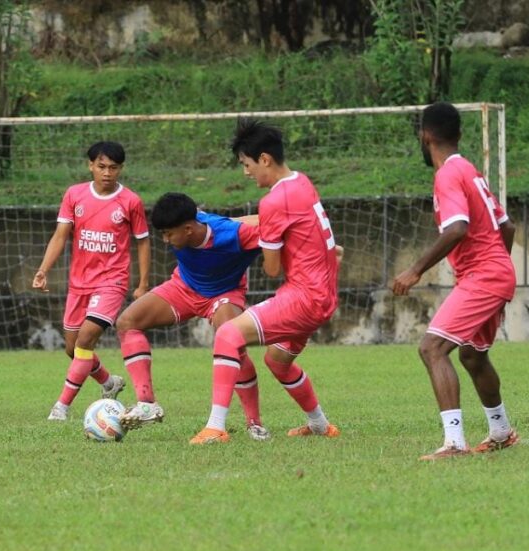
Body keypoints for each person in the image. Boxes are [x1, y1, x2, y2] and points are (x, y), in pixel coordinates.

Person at [190, 118, 341, 445]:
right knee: (278, 361)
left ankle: (215, 427)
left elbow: (271, 269)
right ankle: (320, 425)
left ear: (265, 160)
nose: (246, 172)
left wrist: (248, 244)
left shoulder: (273, 201)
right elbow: (290, 229)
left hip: (304, 297)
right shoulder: (302, 183)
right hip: (325, 294)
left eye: (246, 164)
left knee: (228, 334)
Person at [392, 102, 518, 461]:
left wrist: (415, 269)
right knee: (472, 355)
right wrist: (501, 278)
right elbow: (506, 226)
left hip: (483, 276)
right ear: (459, 135)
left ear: (425, 135)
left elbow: (457, 228)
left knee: (431, 349)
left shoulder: (448, 174)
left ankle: (454, 443)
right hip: (494, 274)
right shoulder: (469, 169)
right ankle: (501, 431)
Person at [116, 192, 271, 440]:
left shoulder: (234, 235)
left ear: (188, 229)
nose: (165, 240)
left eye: (168, 234)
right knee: (127, 322)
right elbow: (237, 219)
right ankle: (147, 404)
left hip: (225, 293)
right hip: (183, 287)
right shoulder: (193, 218)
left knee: (232, 343)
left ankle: (254, 422)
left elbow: (275, 227)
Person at [33, 141, 151, 421]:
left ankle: (61, 407)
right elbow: (61, 234)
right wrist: (43, 269)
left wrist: (143, 283)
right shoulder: (75, 195)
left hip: (112, 283)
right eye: (101, 166)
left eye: (113, 167)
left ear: (121, 168)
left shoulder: (130, 201)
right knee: (73, 349)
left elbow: (143, 242)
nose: (107, 173)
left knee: (85, 341)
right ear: (90, 166)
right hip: (79, 283)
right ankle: (109, 383)